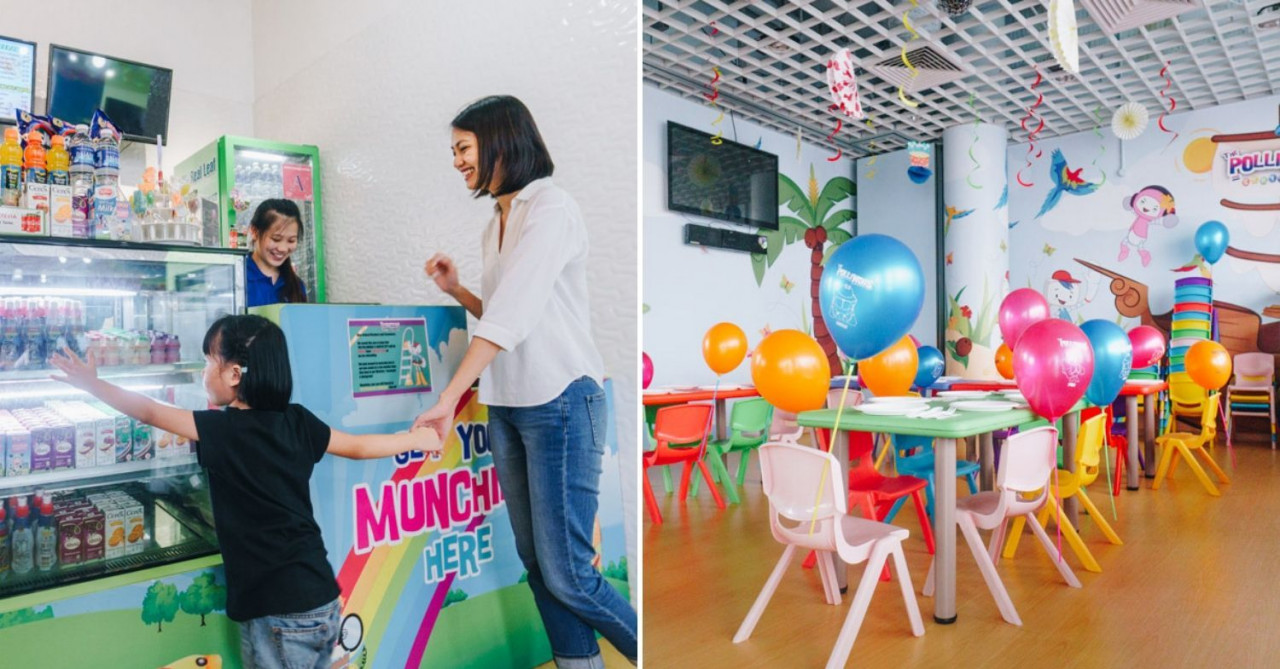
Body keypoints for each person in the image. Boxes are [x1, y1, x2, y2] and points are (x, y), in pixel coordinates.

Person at [51, 314, 439, 669]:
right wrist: (417, 439)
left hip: (280, 609)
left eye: (209, 361)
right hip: (314, 592)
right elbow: (358, 447)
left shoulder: (224, 430)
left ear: (234, 374)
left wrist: (93, 384)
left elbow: (149, 412)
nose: (204, 371)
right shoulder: (297, 421)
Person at [416, 95, 637, 668]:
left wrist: (448, 399)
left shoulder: (551, 208)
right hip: (509, 405)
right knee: (538, 564)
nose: (457, 162)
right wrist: (458, 291)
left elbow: (511, 316)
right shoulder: (496, 221)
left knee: (571, 574)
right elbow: (508, 312)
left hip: (560, 399)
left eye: (463, 148)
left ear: (500, 141)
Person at [246, 198, 308, 307]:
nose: (283, 248)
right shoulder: (239, 277)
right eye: (276, 239)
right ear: (254, 232)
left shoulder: (296, 286)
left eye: (291, 240)